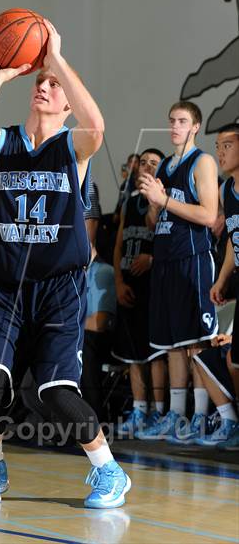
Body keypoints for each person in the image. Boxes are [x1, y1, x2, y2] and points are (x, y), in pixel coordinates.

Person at [0, 18, 130, 508]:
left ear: (67, 100)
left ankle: (109, 470)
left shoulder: (72, 147)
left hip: (58, 287)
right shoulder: (2, 142)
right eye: (40, 82)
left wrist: (58, 60)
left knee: (56, 393)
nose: (45, 88)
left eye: (53, 86)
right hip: (4, 287)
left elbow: (97, 126)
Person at [138, 101, 219, 443]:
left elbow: (208, 215)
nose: (174, 126)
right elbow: (155, 223)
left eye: (182, 121)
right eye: (171, 120)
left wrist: (165, 200)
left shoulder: (203, 162)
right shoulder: (166, 166)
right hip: (166, 261)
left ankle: (200, 417)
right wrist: (155, 204)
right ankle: (175, 415)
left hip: (193, 258)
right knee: (171, 345)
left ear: (195, 126)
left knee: (196, 343)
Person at [113, 149, 167, 437]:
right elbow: (119, 246)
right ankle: (139, 410)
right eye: (143, 162)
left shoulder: (165, 198)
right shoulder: (128, 202)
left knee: (155, 354)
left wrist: (152, 259)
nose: (146, 166)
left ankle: (159, 412)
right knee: (132, 354)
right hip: (129, 284)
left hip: (153, 284)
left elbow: (173, 241)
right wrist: (119, 282)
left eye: (153, 163)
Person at [198, 123, 239, 449]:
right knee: (231, 361)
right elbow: (231, 241)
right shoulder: (227, 190)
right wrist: (223, 278)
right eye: (217, 145)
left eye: (227, 145)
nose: (220, 152)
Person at [81, 244, 116, 420]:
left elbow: (99, 323)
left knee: (82, 344)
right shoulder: (70, 274)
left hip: (105, 341)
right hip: (80, 335)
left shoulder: (103, 272)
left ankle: (93, 419)